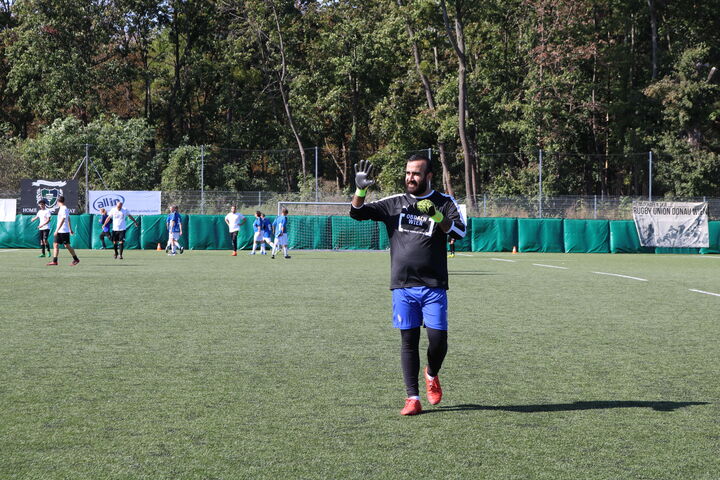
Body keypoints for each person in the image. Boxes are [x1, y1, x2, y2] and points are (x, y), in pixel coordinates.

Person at [349, 155, 466, 415]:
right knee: (408, 341)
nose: (410, 178)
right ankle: (412, 398)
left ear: (428, 176)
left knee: (438, 342)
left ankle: (432, 374)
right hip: (402, 285)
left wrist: (436, 215)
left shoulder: (444, 203)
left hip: (434, 285)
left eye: (415, 173)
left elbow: (459, 232)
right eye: (407, 173)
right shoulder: (394, 203)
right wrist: (360, 190)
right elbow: (356, 213)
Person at [46, 196, 80, 266]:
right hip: (62, 230)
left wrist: (57, 230)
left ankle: (76, 259)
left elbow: (64, 219)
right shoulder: (63, 208)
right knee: (55, 244)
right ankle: (55, 261)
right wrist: (70, 229)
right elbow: (68, 219)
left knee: (66, 245)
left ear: (58, 202)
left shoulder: (64, 209)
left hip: (63, 231)